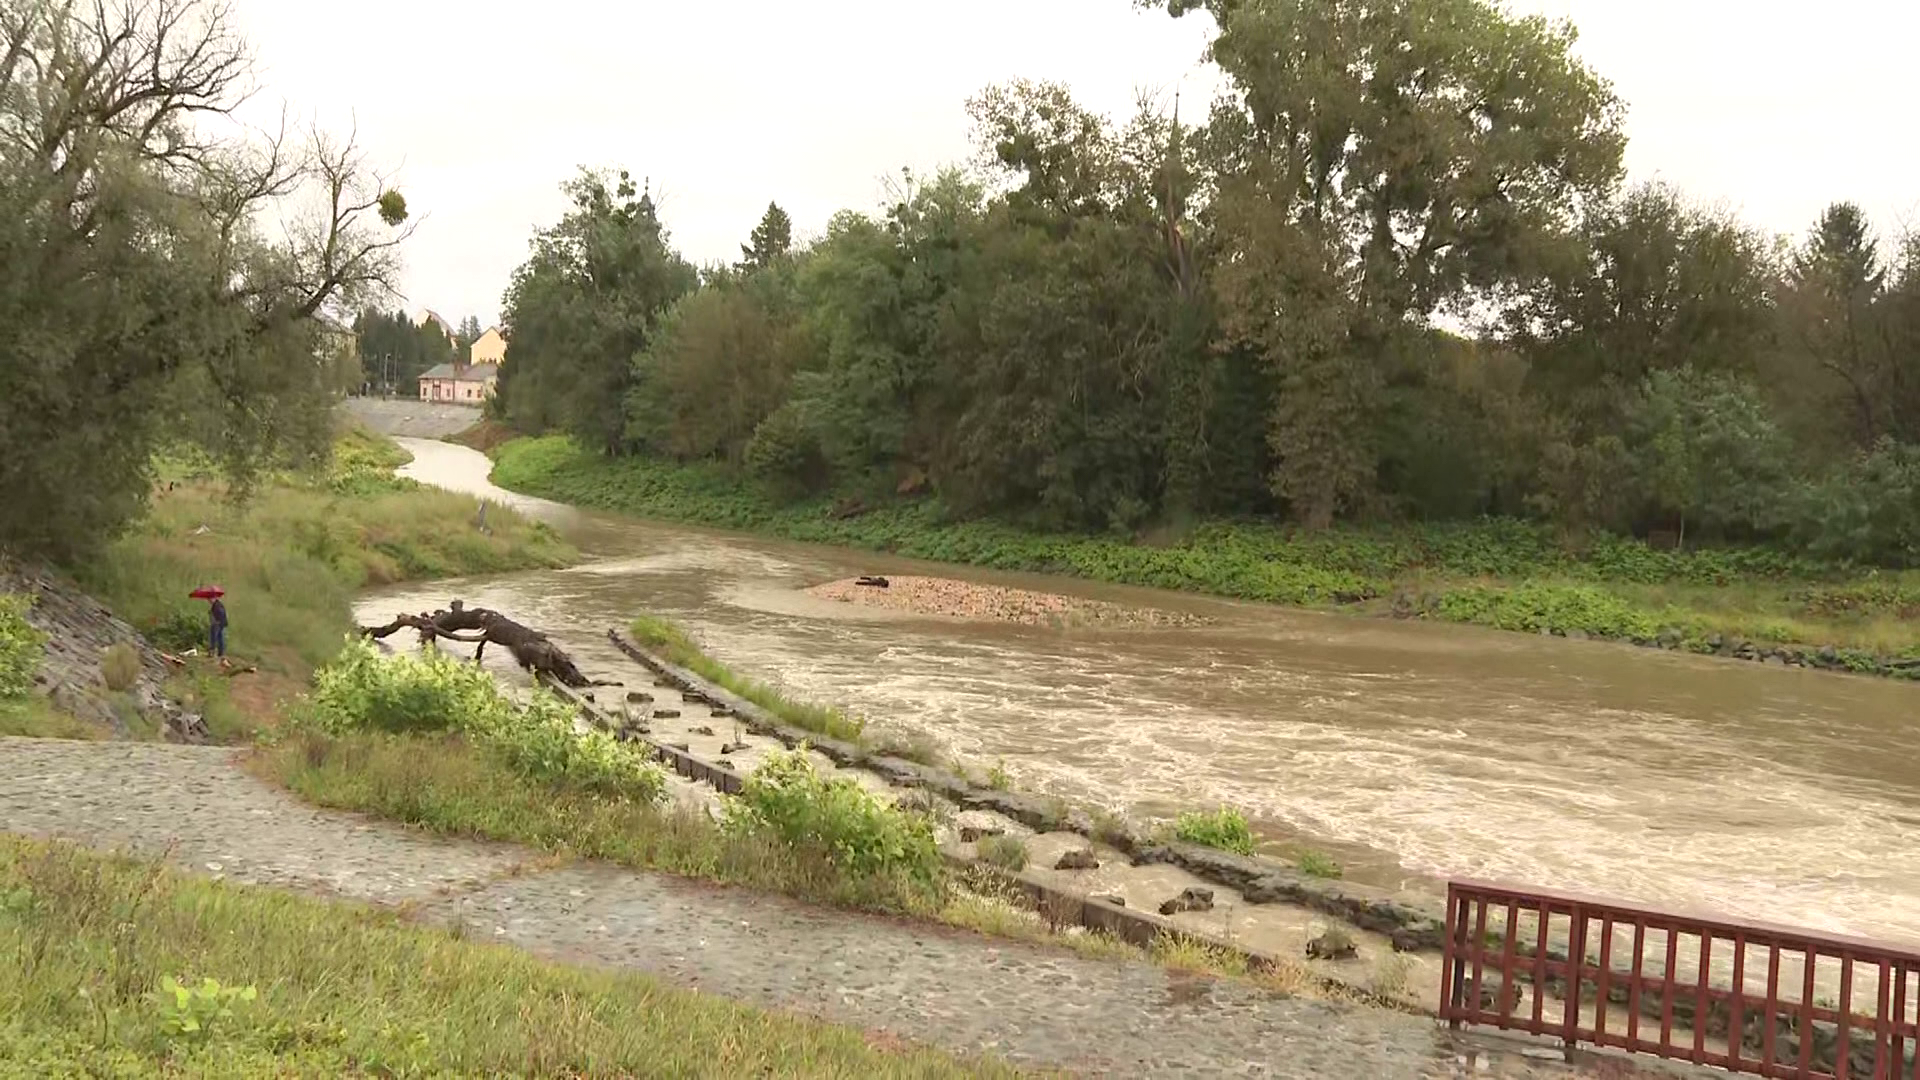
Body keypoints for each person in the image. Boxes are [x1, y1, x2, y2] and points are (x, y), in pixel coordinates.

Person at [208, 594, 229, 665]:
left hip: (217, 624)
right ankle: (220, 653)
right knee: (220, 638)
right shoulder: (217, 605)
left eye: (210, 599)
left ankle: (213, 652)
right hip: (221, 623)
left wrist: (216, 621)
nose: (209, 601)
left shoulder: (217, 606)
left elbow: (220, 614)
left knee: (214, 637)